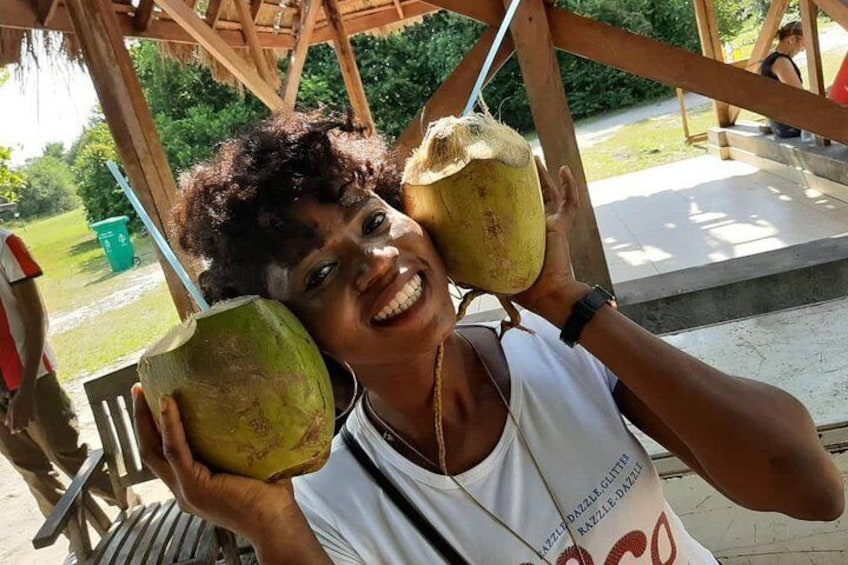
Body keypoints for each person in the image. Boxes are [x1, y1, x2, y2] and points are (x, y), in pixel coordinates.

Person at [134, 112, 844, 564]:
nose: (375, 263)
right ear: (291, 334)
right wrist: (271, 527)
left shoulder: (553, 340)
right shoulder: (328, 503)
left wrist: (567, 301)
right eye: (319, 272)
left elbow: (808, 484)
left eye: (375, 223)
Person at [0, 229, 122, 527]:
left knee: (71, 457)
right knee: (33, 473)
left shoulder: (5, 243)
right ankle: (88, 543)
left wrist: (27, 389)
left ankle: (136, 514)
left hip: (30, 379)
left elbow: (35, 316)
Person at [759, 21, 806, 138]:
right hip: (788, 126)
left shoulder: (772, 59)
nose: (803, 50)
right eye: (803, 45)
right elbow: (801, 97)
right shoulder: (781, 62)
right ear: (792, 40)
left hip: (779, 123)